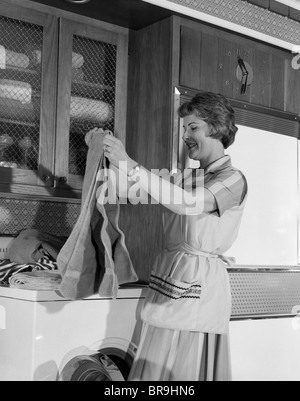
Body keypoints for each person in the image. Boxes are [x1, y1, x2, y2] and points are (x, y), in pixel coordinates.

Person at [102, 91, 248, 381]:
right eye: (184, 129)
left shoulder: (233, 179)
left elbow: (189, 203)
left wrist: (129, 163)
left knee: (184, 371)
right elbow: (124, 191)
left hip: (200, 288)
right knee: (156, 368)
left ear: (217, 128)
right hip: (169, 280)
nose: (186, 135)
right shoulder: (183, 177)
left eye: (193, 127)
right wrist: (103, 151)